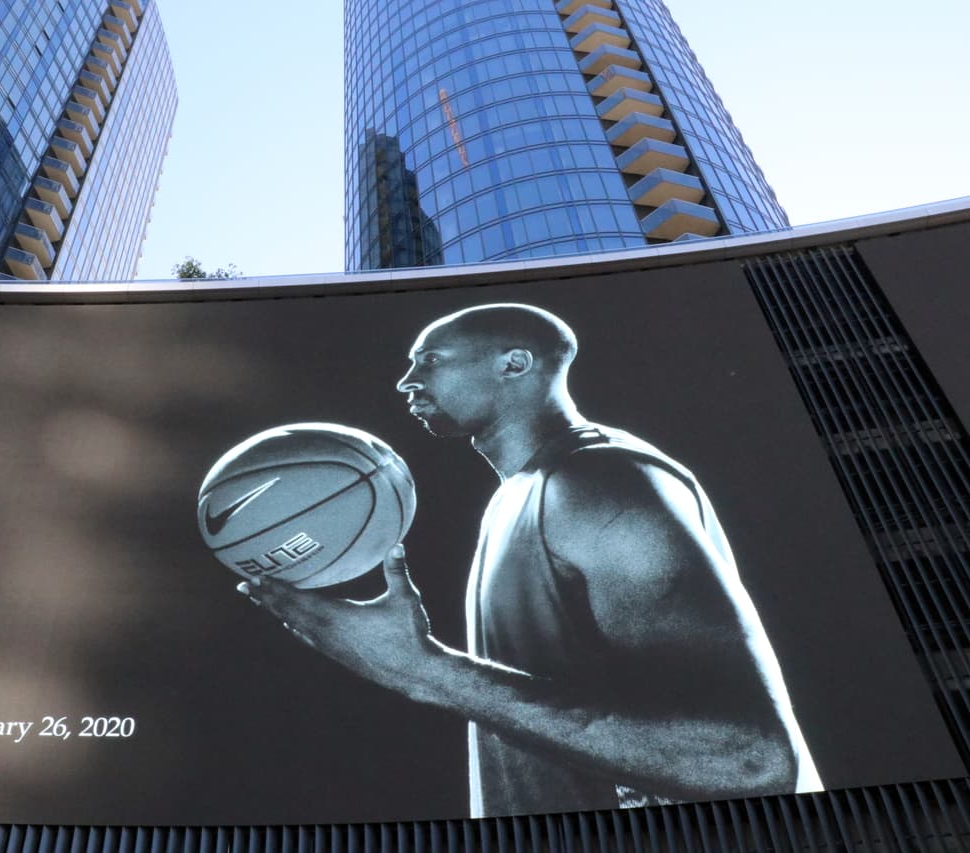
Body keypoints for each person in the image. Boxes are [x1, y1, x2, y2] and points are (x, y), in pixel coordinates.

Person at [239, 303, 820, 816]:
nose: (405, 382)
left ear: (514, 364)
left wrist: (423, 669)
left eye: (430, 361)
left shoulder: (597, 480)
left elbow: (747, 758)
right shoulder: (519, 495)